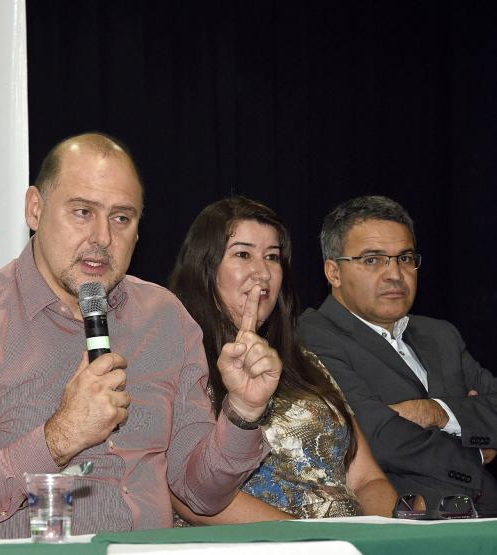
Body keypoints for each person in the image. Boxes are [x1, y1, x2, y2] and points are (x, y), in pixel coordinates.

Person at [0, 133, 281, 543]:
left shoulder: (166, 318)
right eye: (83, 212)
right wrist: (59, 437)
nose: (102, 237)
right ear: (35, 209)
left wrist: (242, 412)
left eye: (121, 218)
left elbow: (200, 495)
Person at [167, 197, 396, 523]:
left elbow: (366, 478)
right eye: (243, 254)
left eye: (272, 257)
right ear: (204, 268)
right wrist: (311, 541)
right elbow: (186, 496)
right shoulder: (177, 360)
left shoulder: (305, 362)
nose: (262, 273)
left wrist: (389, 533)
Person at [300, 195, 497, 514]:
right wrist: (475, 447)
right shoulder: (311, 336)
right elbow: (373, 437)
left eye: (404, 258)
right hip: (412, 518)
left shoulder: (440, 334)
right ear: (334, 272)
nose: (394, 273)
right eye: (372, 260)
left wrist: (438, 412)